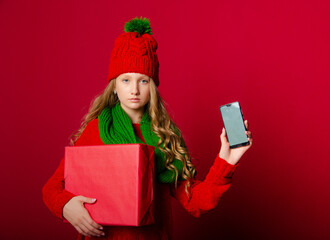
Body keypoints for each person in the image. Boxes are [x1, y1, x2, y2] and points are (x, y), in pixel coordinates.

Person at [42, 16, 253, 240]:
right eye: (125, 80)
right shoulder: (95, 130)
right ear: (114, 87)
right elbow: (51, 189)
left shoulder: (166, 136)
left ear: (152, 86)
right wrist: (66, 207)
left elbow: (195, 202)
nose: (134, 89)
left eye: (143, 81)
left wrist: (227, 159)